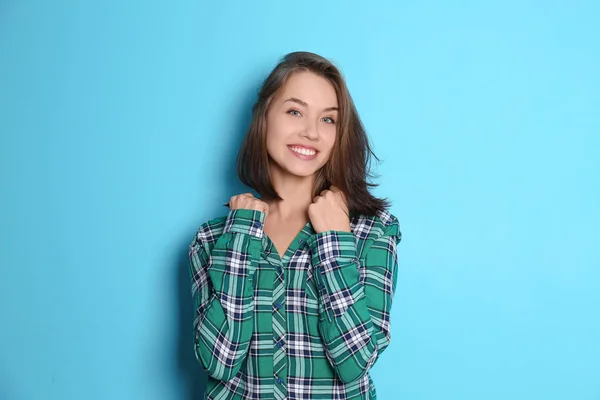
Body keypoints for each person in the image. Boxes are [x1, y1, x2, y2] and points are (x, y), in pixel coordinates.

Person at [188, 51, 402, 400]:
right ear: (264, 117)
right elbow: (218, 361)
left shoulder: (372, 233)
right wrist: (241, 236)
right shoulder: (214, 239)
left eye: (328, 120)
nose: (311, 132)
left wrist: (334, 240)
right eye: (295, 111)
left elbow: (355, 361)